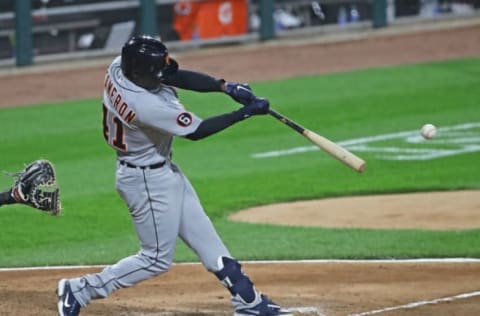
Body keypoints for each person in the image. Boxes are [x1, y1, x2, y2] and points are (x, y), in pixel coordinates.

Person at [57, 35, 292, 316]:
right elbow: (197, 131)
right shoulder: (145, 106)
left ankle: (248, 300)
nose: (162, 77)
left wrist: (224, 86)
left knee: (205, 236)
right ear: (141, 74)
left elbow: (175, 76)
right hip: (145, 181)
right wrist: (245, 113)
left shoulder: (120, 66)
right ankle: (80, 289)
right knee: (155, 258)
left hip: (161, 171)